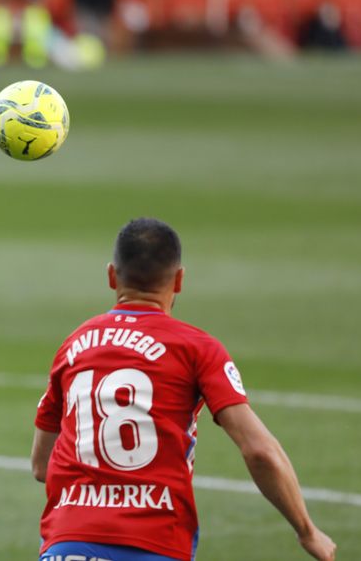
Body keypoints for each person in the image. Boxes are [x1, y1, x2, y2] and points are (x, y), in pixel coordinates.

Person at [31, 218, 336, 561]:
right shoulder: (197, 348)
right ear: (179, 280)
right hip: (155, 542)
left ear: (112, 276)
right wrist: (307, 531)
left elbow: (42, 466)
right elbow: (259, 451)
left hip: (67, 544)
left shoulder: (75, 345)